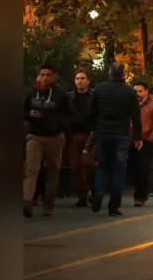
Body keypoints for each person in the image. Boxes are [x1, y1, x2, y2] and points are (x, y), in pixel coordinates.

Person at [88, 62, 142, 216]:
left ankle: (98, 191)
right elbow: (136, 117)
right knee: (119, 169)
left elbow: (91, 111)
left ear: (109, 73)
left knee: (103, 165)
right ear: (123, 74)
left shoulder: (100, 89)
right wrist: (138, 136)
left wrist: (96, 127)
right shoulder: (129, 92)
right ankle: (114, 205)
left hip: (103, 132)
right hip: (121, 133)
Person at [23, 64, 74, 218]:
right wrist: (29, 114)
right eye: (42, 74)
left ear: (53, 77)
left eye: (48, 75)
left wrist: (59, 123)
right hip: (35, 137)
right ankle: (27, 202)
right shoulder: (32, 93)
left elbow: (70, 114)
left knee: (53, 173)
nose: (45, 78)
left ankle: (48, 206)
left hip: (54, 137)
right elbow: (23, 110)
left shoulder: (61, 95)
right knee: (31, 169)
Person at [131, 82, 153, 206]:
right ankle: (139, 191)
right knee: (134, 168)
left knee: (142, 168)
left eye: (140, 91)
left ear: (145, 92)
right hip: (131, 140)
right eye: (135, 91)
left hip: (145, 141)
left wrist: (150, 138)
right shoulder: (130, 104)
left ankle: (140, 195)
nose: (137, 94)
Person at [67, 69, 95, 207]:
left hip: (91, 135)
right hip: (74, 135)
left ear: (88, 80)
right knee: (75, 166)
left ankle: (94, 192)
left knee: (90, 165)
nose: (80, 81)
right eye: (78, 78)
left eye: (83, 78)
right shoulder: (69, 97)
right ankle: (82, 195)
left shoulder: (95, 96)